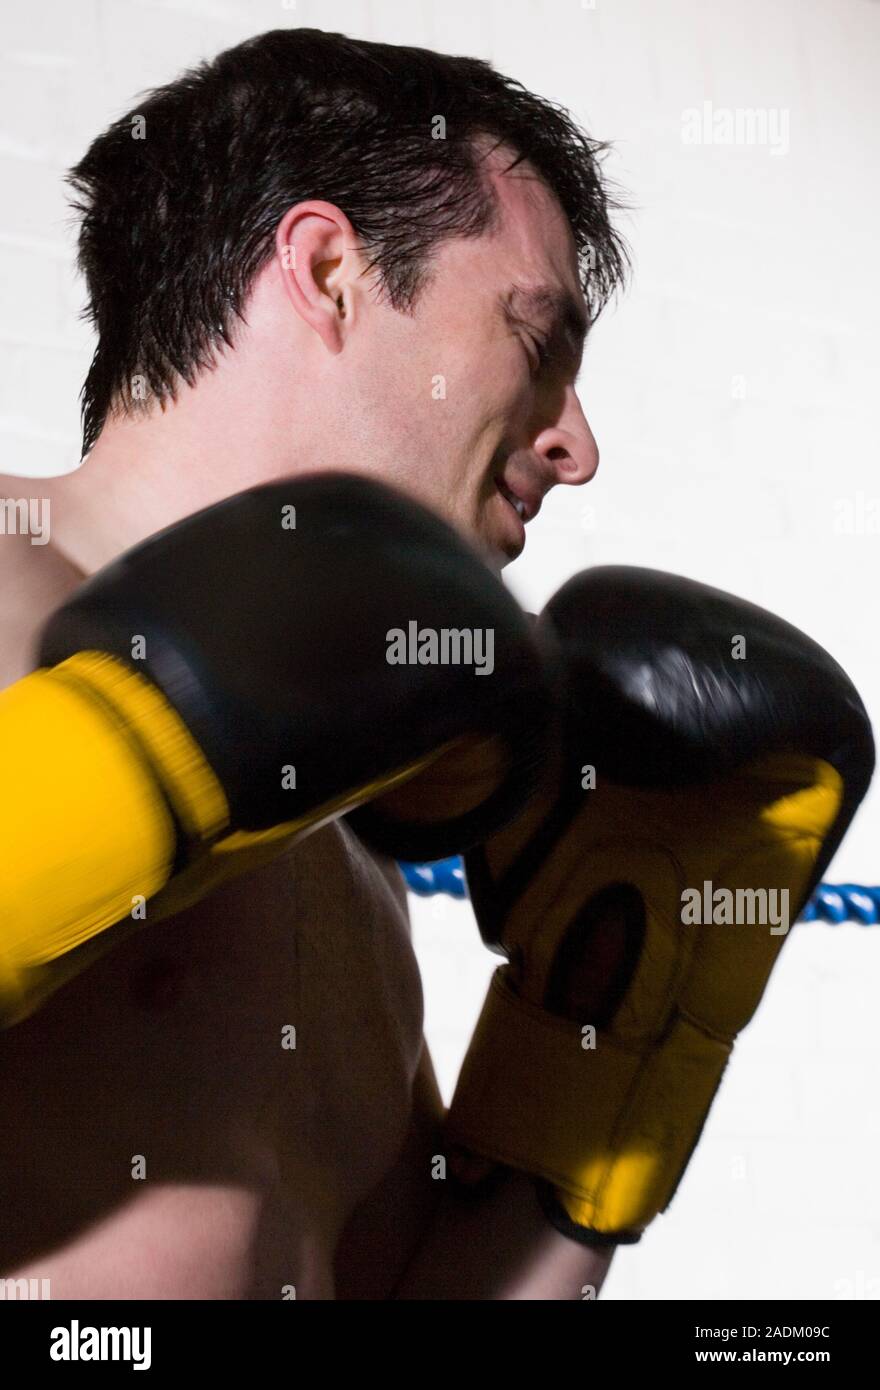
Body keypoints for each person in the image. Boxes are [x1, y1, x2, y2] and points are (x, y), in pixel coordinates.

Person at [0, 27, 627, 1299]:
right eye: (536, 338)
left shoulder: (345, 831)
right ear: (331, 270)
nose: (577, 444)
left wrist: (616, 1062)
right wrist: (92, 787)